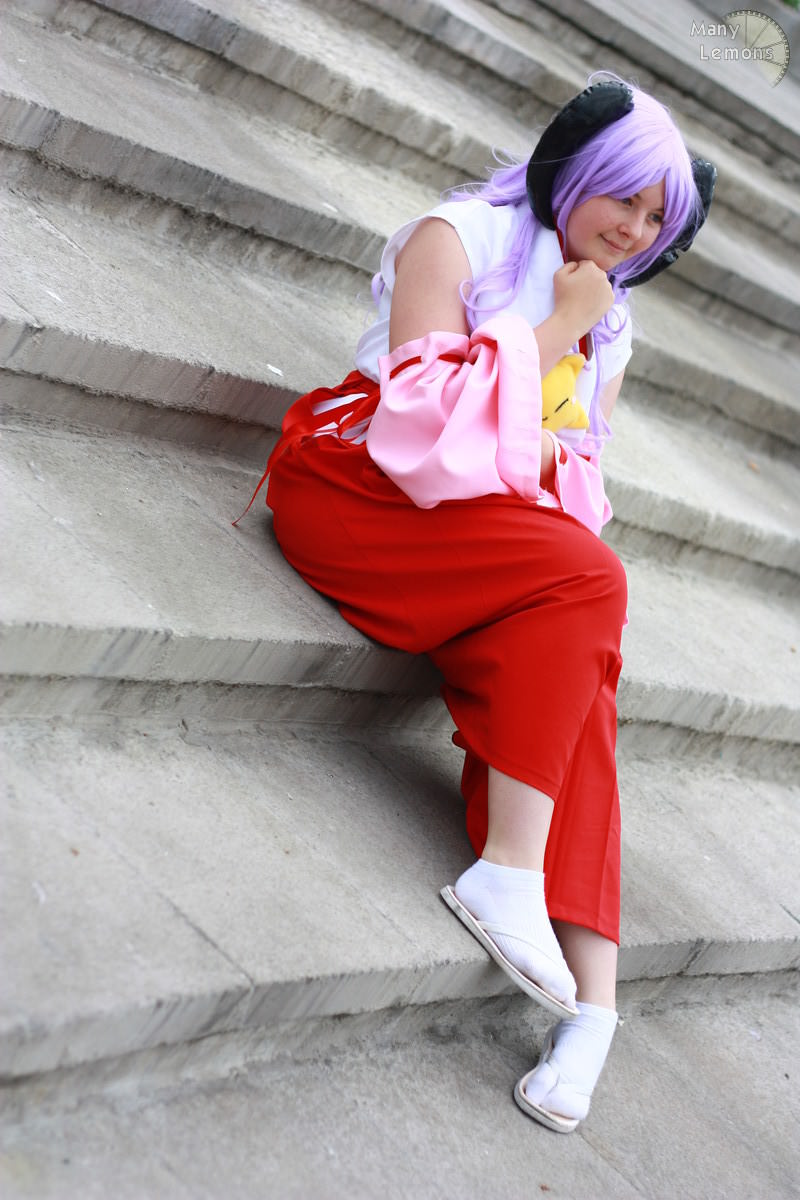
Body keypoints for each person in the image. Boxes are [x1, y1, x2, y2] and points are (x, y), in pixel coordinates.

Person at [236, 74, 715, 1132]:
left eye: (655, 219)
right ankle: (509, 871)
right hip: (357, 491)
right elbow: (414, 422)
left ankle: (594, 1006)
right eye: (623, 198)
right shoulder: (458, 238)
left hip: (476, 532)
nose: (632, 231)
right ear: (577, 171)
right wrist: (554, 331)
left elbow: (576, 477)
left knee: (584, 673)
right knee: (591, 584)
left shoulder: (614, 321)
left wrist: (547, 407)